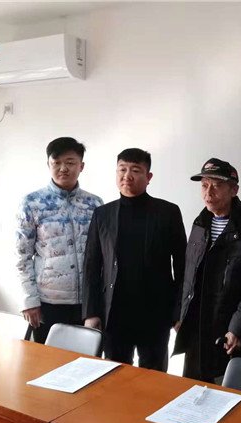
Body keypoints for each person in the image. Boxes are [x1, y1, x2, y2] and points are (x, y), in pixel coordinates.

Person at [82, 148, 186, 371]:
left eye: (135, 170)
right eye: (122, 169)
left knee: (154, 375)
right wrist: (91, 312)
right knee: (114, 374)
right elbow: (91, 266)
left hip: (155, 312)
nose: (127, 176)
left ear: (149, 177)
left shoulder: (168, 212)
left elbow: (183, 267)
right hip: (114, 312)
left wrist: (179, 312)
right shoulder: (102, 214)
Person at [174, 158, 241, 382]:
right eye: (204, 185)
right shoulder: (200, 223)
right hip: (198, 335)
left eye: (217, 185)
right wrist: (180, 315)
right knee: (194, 395)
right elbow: (188, 275)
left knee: (235, 397)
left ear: (234, 190)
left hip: (234, 336)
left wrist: (239, 328)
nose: (208, 192)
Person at [16, 137, 103, 343]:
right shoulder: (32, 203)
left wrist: (99, 301)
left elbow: (102, 255)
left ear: (81, 166)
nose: (63, 168)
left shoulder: (95, 204)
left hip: (87, 302)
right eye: (56, 163)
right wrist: (29, 300)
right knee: (48, 359)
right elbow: (22, 256)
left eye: (70, 162)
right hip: (48, 301)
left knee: (87, 357)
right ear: (48, 165)